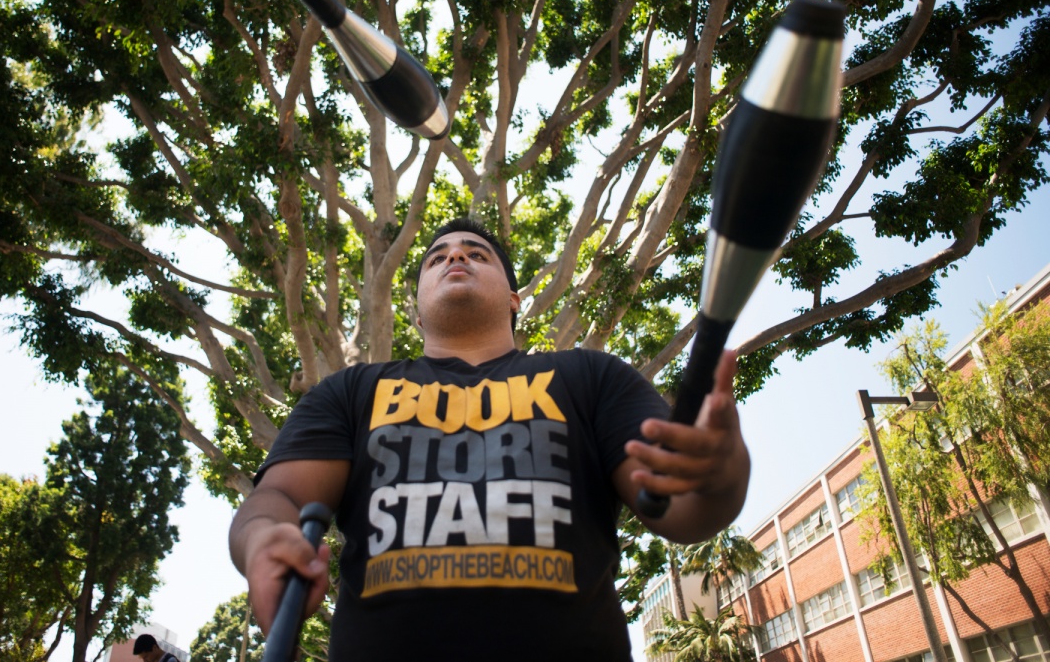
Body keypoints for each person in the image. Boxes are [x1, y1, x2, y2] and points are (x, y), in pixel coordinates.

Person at [229, 217, 751, 662]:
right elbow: (279, 499)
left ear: (515, 299)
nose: (456, 255)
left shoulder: (593, 378)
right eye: (438, 258)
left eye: (476, 252)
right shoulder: (350, 391)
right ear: (414, 308)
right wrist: (261, 542)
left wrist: (720, 473)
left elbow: (684, 510)